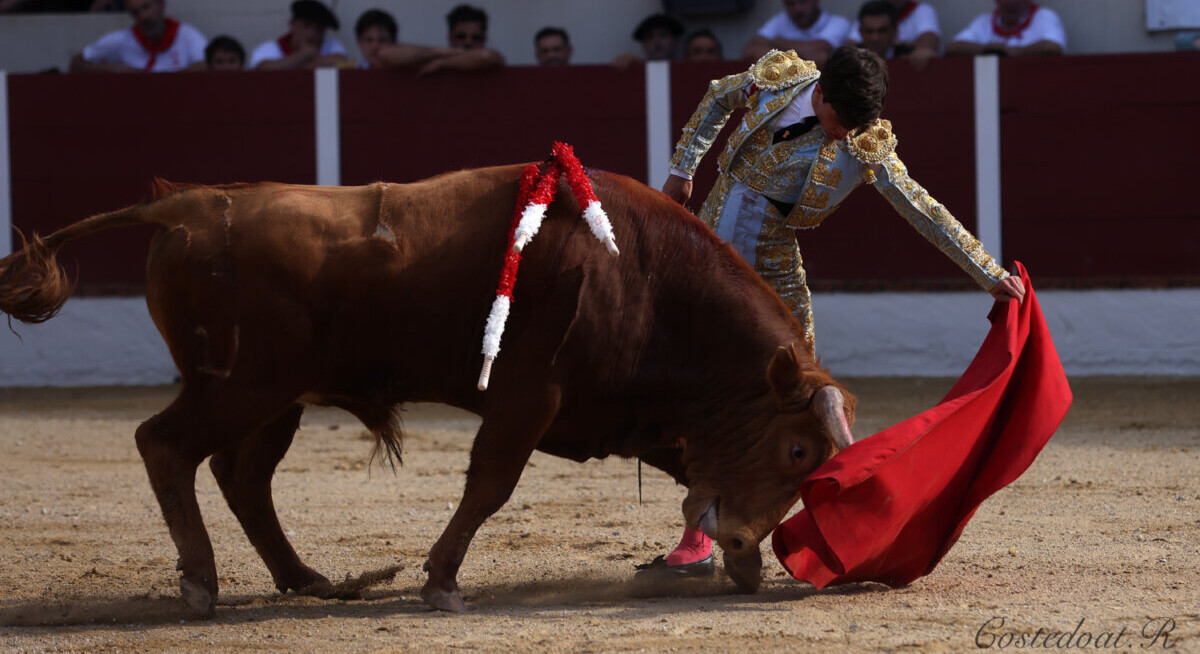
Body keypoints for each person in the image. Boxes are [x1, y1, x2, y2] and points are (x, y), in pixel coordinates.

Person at [638, 46, 1025, 577]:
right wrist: (683, 168)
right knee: (705, 395)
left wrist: (987, 273)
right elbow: (716, 96)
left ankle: (845, 506)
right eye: (838, 122)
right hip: (707, 254)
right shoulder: (783, 78)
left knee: (805, 397)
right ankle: (703, 534)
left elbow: (922, 207)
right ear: (818, 93)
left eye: (852, 126)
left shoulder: (865, 144)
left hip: (773, 266)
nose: (843, 136)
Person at [68, 0, 206, 73]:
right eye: (135, 12)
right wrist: (115, 70)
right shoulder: (121, 40)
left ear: (162, 5)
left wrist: (168, 80)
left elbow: (208, 64)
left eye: (146, 7)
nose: (143, 17)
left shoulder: (185, 34)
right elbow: (76, 63)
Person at [370, 4, 504, 74]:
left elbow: (486, 57)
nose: (468, 42)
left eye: (476, 38)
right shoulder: (435, 57)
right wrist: (438, 53)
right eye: (461, 36)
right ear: (450, 37)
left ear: (484, 40)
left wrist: (442, 64)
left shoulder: (491, 61)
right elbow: (385, 54)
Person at [742, 0, 851, 68]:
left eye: (803, 1)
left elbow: (821, 50)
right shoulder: (779, 21)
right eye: (791, 4)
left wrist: (776, 42)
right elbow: (751, 50)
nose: (797, 9)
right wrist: (806, 54)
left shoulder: (838, 22)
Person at [248, 0, 348, 70]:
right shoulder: (270, 48)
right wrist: (304, 55)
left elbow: (343, 63)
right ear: (292, 24)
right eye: (307, 25)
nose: (312, 34)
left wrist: (304, 63)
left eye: (319, 29)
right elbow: (263, 69)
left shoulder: (331, 46)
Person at [945, 0, 1065, 57]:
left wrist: (1016, 52)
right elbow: (952, 47)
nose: (1011, 2)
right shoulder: (984, 22)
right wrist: (987, 49)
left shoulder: (1044, 16)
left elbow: (1054, 47)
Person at [847, 0, 940, 69]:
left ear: (895, 31)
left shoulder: (908, 54)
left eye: (882, 31)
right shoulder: (851, 58)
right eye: (869, 31)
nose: (875, 38)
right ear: (860, 32)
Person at [612, 13, 684, 67]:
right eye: (650, 37)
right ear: (643, 44)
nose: (657, 41)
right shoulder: (635, 70)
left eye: (663, 35)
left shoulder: (687, 69)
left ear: (676, 40)